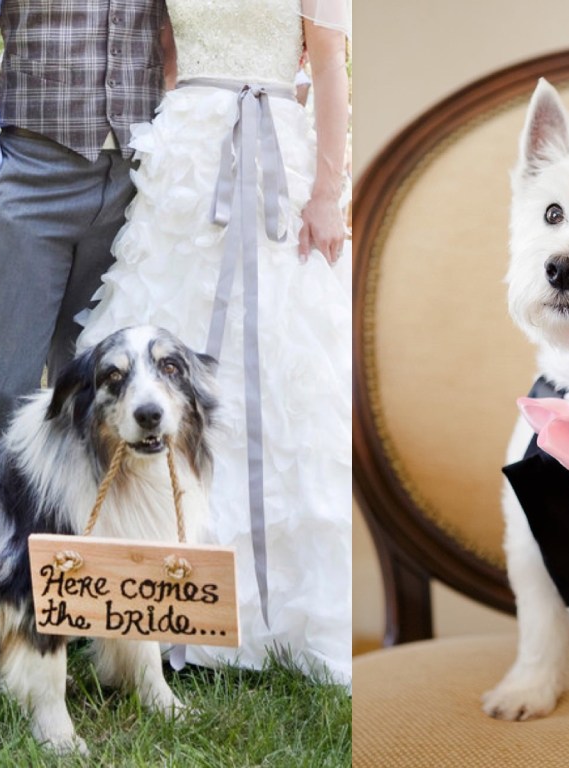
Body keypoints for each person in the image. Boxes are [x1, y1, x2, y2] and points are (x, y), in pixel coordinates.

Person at [76, 0, 352, 686]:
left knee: (285, 369)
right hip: (185, 161)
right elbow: (163, 56)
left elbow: (329, 66)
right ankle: (158, 595)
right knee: (162, 349)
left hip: (273, 160)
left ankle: (275, 613)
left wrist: (326, 192)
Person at [0, 0, 176, 487]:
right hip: (30, 171)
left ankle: (75, 545)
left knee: (99, 388)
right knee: (1, 386)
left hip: (137, 182)